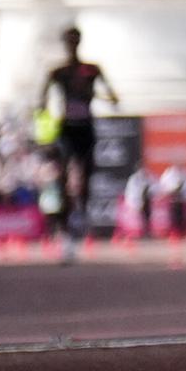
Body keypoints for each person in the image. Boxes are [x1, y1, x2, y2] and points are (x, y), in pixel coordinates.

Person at [39, 27, 120, 248]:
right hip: (68, 127)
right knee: (64, 175)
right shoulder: (59, 72)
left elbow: (113, 97)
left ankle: (81, 213)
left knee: (86, 173)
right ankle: (64, 222)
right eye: (69, 41)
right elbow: (42, 101)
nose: (72, 45)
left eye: (75, 41)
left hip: (85, 127)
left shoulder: (91, 70)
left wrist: (94, 95)